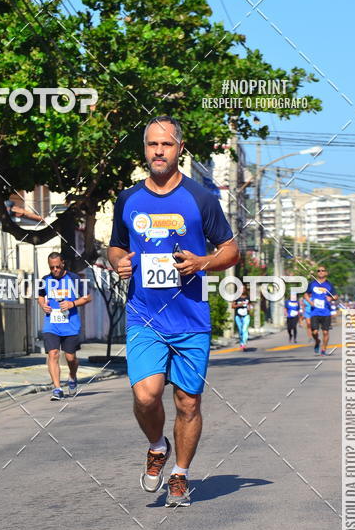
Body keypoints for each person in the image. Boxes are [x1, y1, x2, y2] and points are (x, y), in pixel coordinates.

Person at [108, 115, 239, 507]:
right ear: (145, 150)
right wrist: (118, 261)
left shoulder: (201, 199)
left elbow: (231, 249)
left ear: (180, 149)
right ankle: (156, 445)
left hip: (190, 319)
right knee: (146, 396)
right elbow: (114, 246)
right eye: (151, 145)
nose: (158, 151)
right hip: (144, 315)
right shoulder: (128, 199)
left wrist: (202, 262)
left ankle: (180, 474)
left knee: (188, 402)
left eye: (166, 145)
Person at [37, 252, 91, 400]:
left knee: (70, 357)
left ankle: (72, 376)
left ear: (63, 264)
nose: (54, 270)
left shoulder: (74, 278)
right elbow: (40, 296)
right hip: (51, 324)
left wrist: (72, 303)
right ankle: (57, 388)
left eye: (57, 266)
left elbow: (87, 297)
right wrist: (43, 305)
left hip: (70, 323)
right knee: (53, 354)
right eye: (51, 267)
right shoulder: (45, 280)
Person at [304, 265, 337, 355]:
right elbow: (306, 294)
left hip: (326, 312)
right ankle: (317, 341)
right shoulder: (312, 284)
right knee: (314, 332)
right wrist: (310, 302)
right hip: (315, 312)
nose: (321, 272)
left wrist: (332, 298)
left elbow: (335, 296)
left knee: (325, 332)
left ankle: (323, 349)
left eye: (323, 270)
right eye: (319, 271)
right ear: (316, 273)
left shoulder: (329, 285)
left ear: (326, 273)